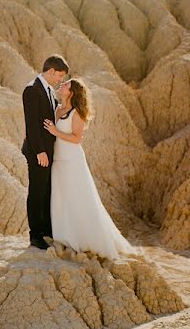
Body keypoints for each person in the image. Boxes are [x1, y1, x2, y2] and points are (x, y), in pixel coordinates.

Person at [43, 78, 129, 259]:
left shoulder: (77, 113)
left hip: (72, 160)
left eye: (65, 84)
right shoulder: (58, 109)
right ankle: (63, 236)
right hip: (57, 159)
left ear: (72, 92)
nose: (61, 85)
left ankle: (82, 239)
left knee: (78, 197)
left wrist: (55, 132)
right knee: (60, 196)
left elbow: (76, 138)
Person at [21, 55, 69, 249]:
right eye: (60, 76)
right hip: (37, 151)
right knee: (37, 191)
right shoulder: (32, 89)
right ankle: (35, 235)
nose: (61, 81)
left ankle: (46, 229)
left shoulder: (47, 90)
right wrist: (40, 151)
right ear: (51, 71)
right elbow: (32, 125)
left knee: (47, 190)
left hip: (47, 151)